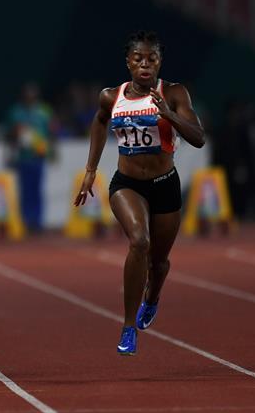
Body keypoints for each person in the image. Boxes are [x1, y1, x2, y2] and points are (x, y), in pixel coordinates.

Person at [74, 31, 205, 356]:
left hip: (165, 184)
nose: (145, 65)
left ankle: (152, 297)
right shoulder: (111, 96)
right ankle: (128, 325)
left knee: (158, 262)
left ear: (160, 62)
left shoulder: (172, 92)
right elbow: (100, 121)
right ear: (128, 62)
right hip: (127, 184)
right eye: (139, 59)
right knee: (139, 241)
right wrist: (91, 170)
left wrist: (170, 115)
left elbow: (199, 138)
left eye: (152, 59)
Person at [5, 82, 55, 232]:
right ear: (23, 96)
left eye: (32, 94)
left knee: (37, 189)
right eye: (27, 94)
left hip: (38, 156)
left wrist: (53, 151)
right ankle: (25, 221)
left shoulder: (44, 111)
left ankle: (37, 222)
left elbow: (51, 132)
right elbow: (8, 134)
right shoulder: (15, 112)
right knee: (24, 190)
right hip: (22, 157)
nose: (30, 97)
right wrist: (16, 132)